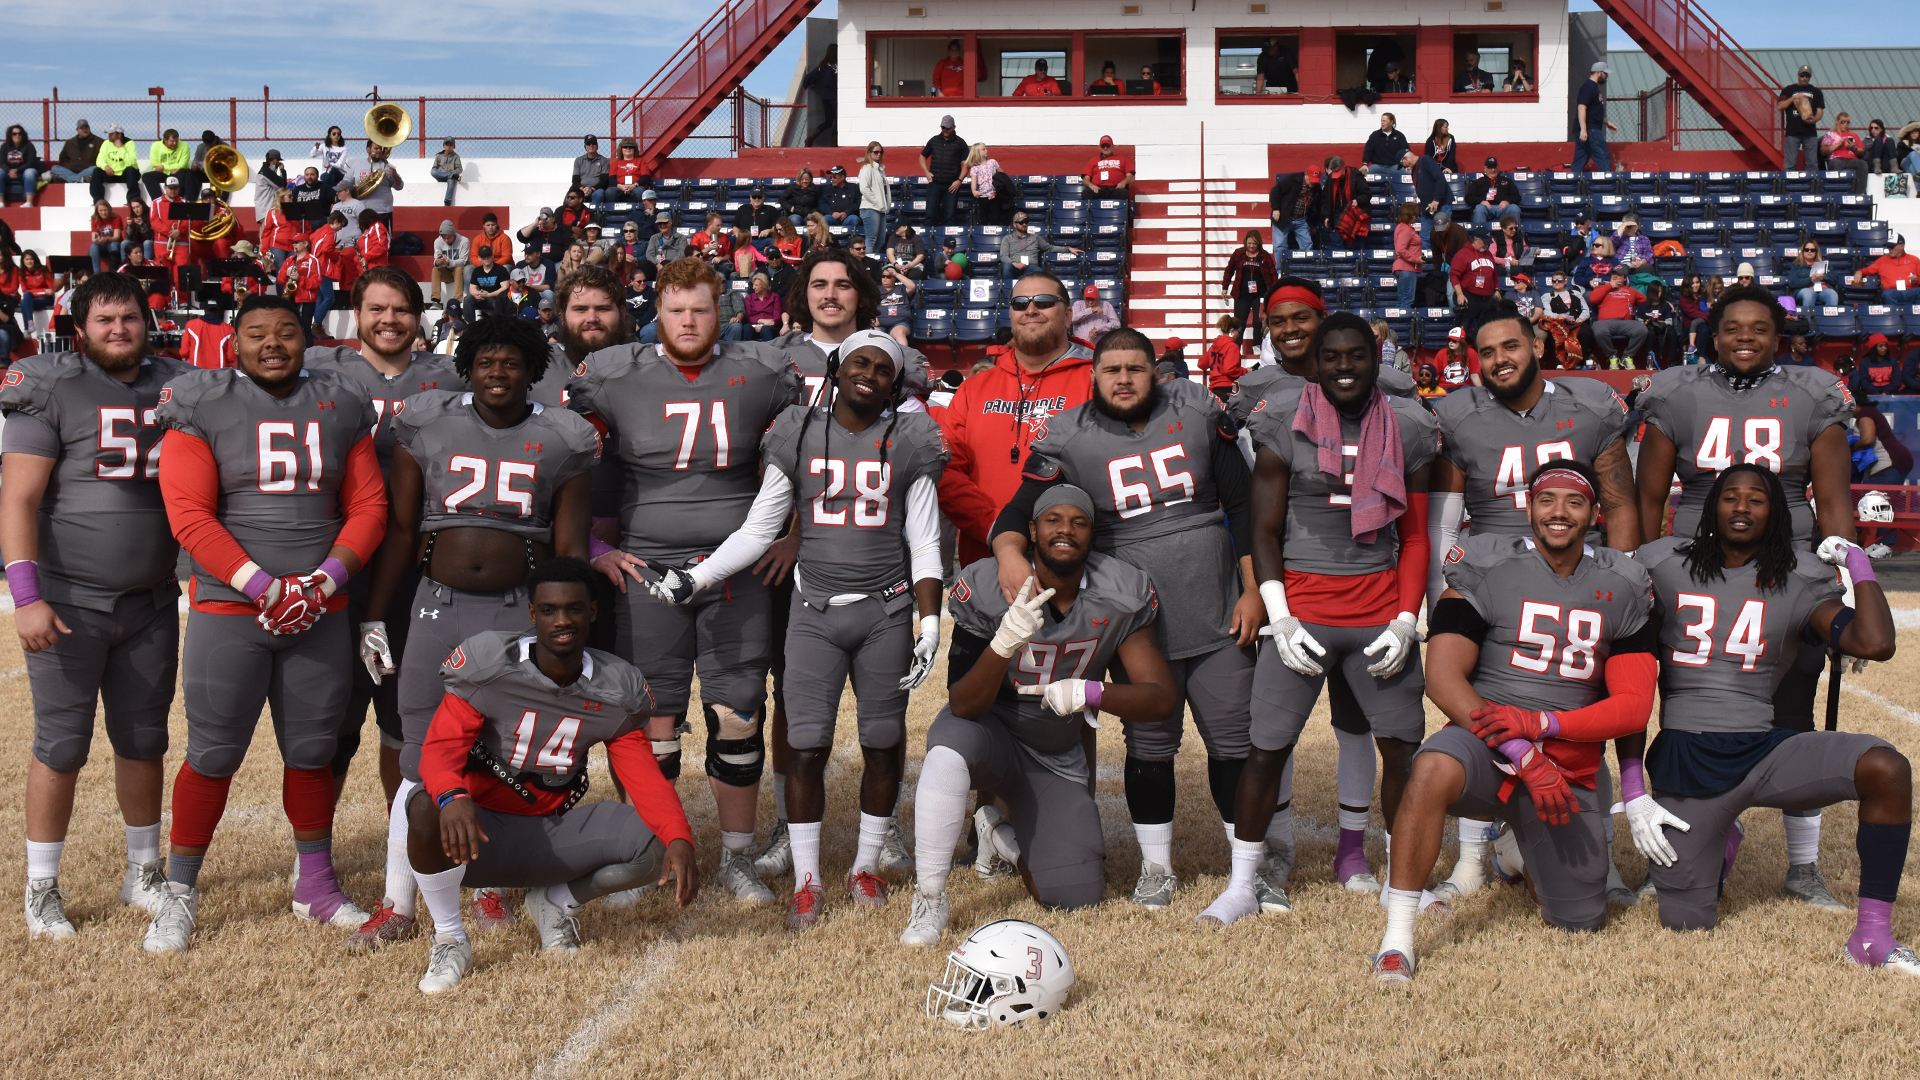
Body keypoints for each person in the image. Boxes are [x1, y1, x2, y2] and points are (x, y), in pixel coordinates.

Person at [648, 329, 946, 926]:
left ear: (895, 382)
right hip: (813, 612)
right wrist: (698, 578)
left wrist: (930, 618)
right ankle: (808, 878)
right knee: (805, 744)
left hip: (885, 610)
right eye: (859, 362)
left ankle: (865, 865)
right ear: (835, 368)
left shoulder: (909, 438)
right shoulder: (800, 431)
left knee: (882, 740)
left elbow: (925, 539)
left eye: (883, 369)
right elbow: (761, 530)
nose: (870, 374)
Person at [339, 310, 596, 951]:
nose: (498, 372)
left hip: (516, 611)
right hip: (437, 603)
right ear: (467, 366)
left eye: (511, 361)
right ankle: (399, 904)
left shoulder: (564, 437)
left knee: (504, 755)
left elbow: (569, 550)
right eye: (486, 361)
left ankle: (486, 889)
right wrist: (375, 612)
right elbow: (402, 531)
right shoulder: (428, 421)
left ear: (533, 371)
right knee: (418, 758)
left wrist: (562, 630)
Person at [142, 294, 388, 953]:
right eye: (257, 334)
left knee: (312, 751)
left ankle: (314, 884)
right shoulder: (202, 400)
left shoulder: (339, 402)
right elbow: (188, 514)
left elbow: (368, 505)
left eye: (285, 332)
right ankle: (180, 891)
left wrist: (321, 581)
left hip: (319, 611)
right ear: (235, 341)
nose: (272, 343)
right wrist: (264, 586)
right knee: (213, 753)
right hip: (232, 609)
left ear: (307, 340)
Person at [989, 328, 1266, 910]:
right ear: (1093, 375)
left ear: (1155, 370)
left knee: (1234, 742)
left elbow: (1242, 502)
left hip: (1217, 605)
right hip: (1137, 617)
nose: (1122, 379)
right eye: (1111, 369)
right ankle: (1157, 868)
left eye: (1134, 368)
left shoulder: (1193, 407)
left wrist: (1253, 588)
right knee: (1149, 743)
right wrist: (1009, 553)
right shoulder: (1068, 434)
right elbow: (1017, 514)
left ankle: (1250, 869)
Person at [567, 257, 804, 904]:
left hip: (737, 568)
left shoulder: (759, 370)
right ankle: (650, 851)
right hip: (647, 568)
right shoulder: (613, 375)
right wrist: (590, 545)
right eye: (677, 310)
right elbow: (561, 462)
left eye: (701, 309)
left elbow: (818, 448)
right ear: (657, 316)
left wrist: (795, 534)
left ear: (721, 312)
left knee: (737, 714)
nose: (690, 321)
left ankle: (735, 856)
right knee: (653, 720)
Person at [1197, 313, 1437, 927]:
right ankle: (1243, 882)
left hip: (1379, 607)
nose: (1345, 367)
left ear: (1375, 356)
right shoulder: (1284, 419)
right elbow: (1264, 528)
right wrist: (1279, 614)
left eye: (1357, 355)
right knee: (1265, 749)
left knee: (1402, 751)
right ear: (1317, 362)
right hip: (1304, 606)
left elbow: (1414, 539)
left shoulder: (1408, 425)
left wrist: (1407, 618)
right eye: (1333, 357)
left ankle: (1398, 876)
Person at [1634, 285, 1861, 910]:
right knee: (1683, 704)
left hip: (1783, 572)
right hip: (1692, 570)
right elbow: (1649, 499)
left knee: (1791, 708)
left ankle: (1803, 866)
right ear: (1713, 334)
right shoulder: (1677, 393)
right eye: (1733, 327)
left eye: (1759, 328)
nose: (1745, 338)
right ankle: (1688, 830)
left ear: (1777, 338)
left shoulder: (1812, 393)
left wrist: (1838, 581)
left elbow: (1833, 498)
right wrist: (1639, 573)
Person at [1632, 466, 1909, 973]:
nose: (1741, 507)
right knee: (1685, 922)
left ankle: (1871, 936)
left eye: (1756, 499)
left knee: (1886, 769)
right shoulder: (1662, 563)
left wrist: (1858, 566)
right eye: (1730, 498)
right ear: (1711, 507)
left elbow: (1874, 642)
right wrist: (1632, 786)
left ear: (1775, 511)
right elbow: (1624, 671)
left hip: (1763, 751)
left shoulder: (1800, 578)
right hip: (1687, 760)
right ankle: (1721, 835)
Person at [1, 274, 192, 940]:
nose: (119, 329)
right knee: (61, 744)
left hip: (150, 599)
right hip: (67, 598)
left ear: (149, 321)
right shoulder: (48, 385)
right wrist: (24, 597)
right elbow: (18, 498)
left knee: (144, 739)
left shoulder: (180, 383)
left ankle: (142, 870)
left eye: (130, 318)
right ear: (79, 328)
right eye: (106, 319)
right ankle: (41, 886)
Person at [405, 557, 697, 992]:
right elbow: (440, 750)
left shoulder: (617, 687)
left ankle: (555, 902)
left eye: (574, 609)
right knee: (425, 803)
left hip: (553, 830)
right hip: (480, 833)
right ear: (531, 614)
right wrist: (453, 796)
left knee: (656, 846)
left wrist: (679, 836)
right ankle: (449, 937)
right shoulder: (490, 665)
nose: (562, 621)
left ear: (592, 612)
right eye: (549, 610)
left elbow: (643, 776)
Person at [899, 486, 1174, 943]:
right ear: (1032, 531)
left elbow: (1160, 697)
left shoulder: (1119, 590)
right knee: (946, 750)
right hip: (990, 734)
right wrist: (1001, 644)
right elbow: (964, 704)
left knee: (1076, 895)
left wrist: (1090, 691)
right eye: (1052, 520)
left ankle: (999, 836)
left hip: (1055, 754)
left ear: (1091, 535)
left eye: (1078, 522)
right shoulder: (988, 584)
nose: (1065, 529)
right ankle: (929, 898)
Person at [932, 270, 1095, 566]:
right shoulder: (973, 388)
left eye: (1044, 301)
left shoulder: (1096, 381)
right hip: (986, 561)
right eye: (1019, 303)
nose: (1030, 309)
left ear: (1069, 315)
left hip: (1072, 564)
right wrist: (998, 532)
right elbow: (947, 471)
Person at [1589, 266, 1648, 369]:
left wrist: (1665, 302)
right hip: (1605, 322)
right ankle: (1612, 356)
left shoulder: (1631, 290)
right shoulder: (1602, 287)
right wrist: (1609, 286)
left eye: (1619, 275)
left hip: (1626, 322)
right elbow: (1593, 299)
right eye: (1614, 274)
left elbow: (1647, 302)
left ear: (1625, 278)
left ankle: (1627, 356)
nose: (1615, 276)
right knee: (1599, 331)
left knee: (1642, 329)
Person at [1224, 230, 1278, 341]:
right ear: (1245, 243)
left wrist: (1274, 292)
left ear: (1259, 243)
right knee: (1239, 322)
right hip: (1241, 294)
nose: (1251, 246)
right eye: (1249, 244)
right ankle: (1235, 347)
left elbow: (1273, 275)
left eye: (1254, 244)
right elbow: (1229, 270)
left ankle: (1257, 344)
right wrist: (1225, 287)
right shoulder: (1238, 254)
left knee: (1258, 321)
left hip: (1260, 294)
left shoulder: (1265, 256)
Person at [999, 212, 1081, 280]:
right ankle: (1008, 291)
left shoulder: (1035, 237)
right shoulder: (1007, 239)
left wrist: (1068, 249)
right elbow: (1003, 256)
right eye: (1021, 222)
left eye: (1026, 222)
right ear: (1014, 224)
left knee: (1039, 272)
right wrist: (1015, 263)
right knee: (1006, 267)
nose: (1024, 224)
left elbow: (1050, 248)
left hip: (1030, 267)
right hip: (1015, 267)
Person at [340, 141, 403, 228]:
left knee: (383, 238)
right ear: (368, 149)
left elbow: (399, 187)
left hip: (383, 210)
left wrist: (395, 175)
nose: (379, 151)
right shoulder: (357, 165)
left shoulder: (387, 166)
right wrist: (352, 188)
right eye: (376, 148)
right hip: (362, 209)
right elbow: (345, 182)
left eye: (380, 149)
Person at [1451, 227, 1500, 340]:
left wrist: (1497, 290)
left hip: (1487, 298)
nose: (1486, 245)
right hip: (1469, 295)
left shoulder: (1488, 254)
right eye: (1484, 242)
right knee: (1462, 327)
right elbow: (1454, 276)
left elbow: (1494, 275)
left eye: (1488, 243)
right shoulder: (1463, 254)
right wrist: (1460, 294)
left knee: (1486, 329)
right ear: (1476, 240)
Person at [921, 117, 968, 230]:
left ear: (954, 127)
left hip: (951, 186)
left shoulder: (960, 143)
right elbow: (922, 156)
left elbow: (966, 164)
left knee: (949, 217)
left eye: (948, 128)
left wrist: (959, 180)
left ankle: (948, 244)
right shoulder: (934, 141)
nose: (945, 130)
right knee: (930, 216)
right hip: (935, 183)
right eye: (943, 128)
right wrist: (926, 172)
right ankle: (928, 243)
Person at [1777, 64, 1825, 171]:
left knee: (1812, 163)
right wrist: (1793, 98)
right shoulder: (1788, 90)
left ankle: (1811, 186)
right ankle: (1789, 186)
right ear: (1798, 75)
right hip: (1793, 132)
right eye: (1803, 75)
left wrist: (1815, 119)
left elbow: (1820, 111)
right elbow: (1780, 106)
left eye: (1807, 76)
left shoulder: (1816, 92)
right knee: (1790, 164)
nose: (1805, 78)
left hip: (1810, 132)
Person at [1851, 233, 1920, 305]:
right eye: (1888, 247)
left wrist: (1917, 280)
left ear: (1901, 246)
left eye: (1892, 247)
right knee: (1887, 294)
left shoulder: (1914, 260)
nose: (1889, 249)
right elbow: (1868, 270)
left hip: (1911, 291)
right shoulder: (1882, 260)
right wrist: (1860, 272)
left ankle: (1916, 315)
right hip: (1892, 292)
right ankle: (1894, 315)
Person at [1575, 62, 1617, 173]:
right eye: (1605, 73)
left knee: (1580, 160)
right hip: (1591, 129)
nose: (1607, 76)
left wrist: (1607, 123)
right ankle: (1607, 185)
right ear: (1598, 73)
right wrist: (1584, 130)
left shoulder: (1594, 87)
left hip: (1589, 128)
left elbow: (1592, 112)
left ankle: (1572, 187)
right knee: (1603, 156)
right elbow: (1581, 108)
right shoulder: (1588, 87)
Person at [1268, 168, 1322, 254]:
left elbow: (1318, 207)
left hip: (1302, 219)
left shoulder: (1317, 188)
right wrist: (1276, 208)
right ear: (1306, 175)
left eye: (1315, 181)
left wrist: (1312, 225)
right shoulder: (1292, 179)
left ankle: (1305, 267)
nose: (1313, 183)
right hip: (1284, 217)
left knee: (1307, 244)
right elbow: (1275, 191)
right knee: (1280, 244)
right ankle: (1281, 268)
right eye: (1312, 180)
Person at [1404, 150, 1450, 247]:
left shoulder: (1425, 160)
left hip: (1441, 204)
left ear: (1406, 158)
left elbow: (1440, 178)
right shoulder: (1414, 170)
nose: (1404, 167)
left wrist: (1437, 199)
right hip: (1427, 207)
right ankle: (1428, 261)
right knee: (1425, 237)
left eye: (1403, 164)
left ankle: (1445, 261)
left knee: (1444, 235)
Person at [92, 125, 140, 205]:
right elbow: (99, 159)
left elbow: (131, 162)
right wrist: (105, 166)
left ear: (119, 135)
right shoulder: (106, 143)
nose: (109, 136)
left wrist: (121, 148)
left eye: (111, 134)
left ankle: (133, 200)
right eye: (109, 133)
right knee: (97, 171)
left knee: (130, 170)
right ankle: (98, 201)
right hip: (111, 173)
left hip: (125, 174)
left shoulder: (130, 143)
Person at [801, 45, 838, 145]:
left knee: (828, 122)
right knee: (838, 121)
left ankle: (811, 138)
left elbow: (811, 75)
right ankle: (834, 144)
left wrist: (809, 83)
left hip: (825, 97)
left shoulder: (823, 66)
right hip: (835, 96)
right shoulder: (838, 65)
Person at [1466, 157, 1519, 227]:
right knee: (1479, 208)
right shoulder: (1478, 182)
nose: (1493, 170)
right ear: (1485, 169)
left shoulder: (1507, 181)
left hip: (1503, 209)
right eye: (1490, 167)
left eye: (1494, 167)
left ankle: (1516, 235)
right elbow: (1469, 198)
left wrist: (1508, 201)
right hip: (1487, 209)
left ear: (1498, 168)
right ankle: (1480, 236)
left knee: (1514, 208)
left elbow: (1517, 197)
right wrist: (1481, 201)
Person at [465, 244, 512, 323]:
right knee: (467, 299)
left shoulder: (501, 269)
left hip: (497, 299)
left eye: (488, 256)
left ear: (492, 256)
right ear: (480, 258)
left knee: (501, 300)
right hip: (483, 299)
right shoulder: (477, 271)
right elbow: (472, 288)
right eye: (483, 256)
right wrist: (479, 294)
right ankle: (470, 326)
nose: (486, 258)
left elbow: (505, 288)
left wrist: (489, 295)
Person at [1786, 240, 1837, 313]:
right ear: (1803, 251)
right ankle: (1807, 321)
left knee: (1832, 294)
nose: (1809, 252)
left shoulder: (1825, 263)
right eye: (1807, 250)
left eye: (1812, 250)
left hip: (1823, 290)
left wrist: (1823, 277)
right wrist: (1811, 280)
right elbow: (1793, 282)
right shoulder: (1797, 265)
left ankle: (1828, 322)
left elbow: (1835, 278)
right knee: (1809, 293)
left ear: (1816, 252)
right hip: (1805, 290)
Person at [49, 119, 102, 188]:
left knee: (96, 168)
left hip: (88, 170)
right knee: (54, 168)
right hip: (71, 171)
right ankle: (80, 179)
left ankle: (71, 179)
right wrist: (68, 166)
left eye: (86, 128)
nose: (84, 130)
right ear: (77, 130)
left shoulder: (98, 141)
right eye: (81, 128)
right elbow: (62, 158)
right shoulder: (70, 142)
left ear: (89, 128)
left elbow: (102, 157)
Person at [1202, 316, 1248, 394]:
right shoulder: (1232, 346)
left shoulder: (1214, 346)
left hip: (1214, 388)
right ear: (1232, 331)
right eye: (1239, 332)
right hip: (1228, 387)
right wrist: (1246, 371)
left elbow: (1202, 364)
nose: (1239, 335)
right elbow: (1230, 369)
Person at [2, 124, 42, 208]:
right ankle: (1, 202)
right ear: (10, 135)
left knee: (30, 173)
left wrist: (17, 170)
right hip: (9, 173)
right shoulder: (4, 146)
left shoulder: (29, 146)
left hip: (24, 171)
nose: (17, 135)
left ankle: (29, 202)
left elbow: (31, 162)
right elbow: (2, 162)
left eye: (20, 133)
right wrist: (9, 171)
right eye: (14, 133)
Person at [1069, 283, 1118, 347]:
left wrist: (1098, 329)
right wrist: (1090, 310)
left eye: (1093, 299)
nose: (1090, 302)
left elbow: (1116, 324)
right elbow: (1071, 319)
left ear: (1099, 298)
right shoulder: (1078, 305)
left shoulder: (1106, 305)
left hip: (1100, 346)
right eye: (1088, 299)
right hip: (1079, 346)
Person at [877, 265, 916, 346]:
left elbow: (912, 286)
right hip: (880, 324)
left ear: (894, 278)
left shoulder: (902, 289)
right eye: (883, 276)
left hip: (899, 323)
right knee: (874, 335)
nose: (885, 279)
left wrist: (896, 274)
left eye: (889, 277)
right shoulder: (876, 290)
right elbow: (868, 305)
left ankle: (903, 357)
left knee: (900, 333)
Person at [743, 271, 785, 341]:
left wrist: (765, 326)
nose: (753, 287)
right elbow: (748, 318)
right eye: (753, 285)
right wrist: (761, 321)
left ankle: (769, 351)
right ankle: (746, 350)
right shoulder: (749, 298)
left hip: (770, 327)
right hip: (754, 326)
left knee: (765, 329)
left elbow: (777, 317)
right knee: (746, 328)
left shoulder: (774, 297)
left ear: (763, 285)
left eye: (756, 285)